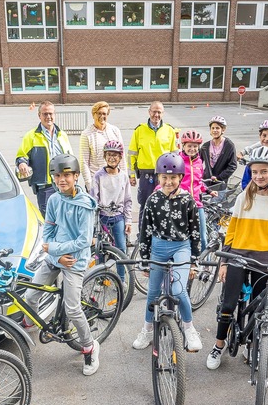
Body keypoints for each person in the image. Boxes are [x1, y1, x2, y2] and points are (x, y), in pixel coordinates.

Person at [206, 147, 268, 370]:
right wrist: (224, 261)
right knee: (228, 304)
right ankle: (219, 344)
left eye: (263, 171)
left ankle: (252, 345)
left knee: (259, 308)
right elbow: (232, 229)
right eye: (254, 172)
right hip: (238, 255)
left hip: (265, 261)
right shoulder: (244, 197)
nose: (258, 176)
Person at [23, 154, 101, 376]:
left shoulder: (84, 205)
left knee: (73, 308)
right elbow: (48, 231)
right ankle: (32, 327)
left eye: (66, 175)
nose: (61, 180)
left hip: (75, 260)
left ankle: (89, 346)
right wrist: (55, 254)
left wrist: (54, 249)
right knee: (30, 295)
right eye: (57, 175)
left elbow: (83, 241)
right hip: (57, 257)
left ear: (76, 176)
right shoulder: (55, 200)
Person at [132, 151, 203, 353]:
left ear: (181, 177)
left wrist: (194, 261)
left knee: (179, 290)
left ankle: (189, 329)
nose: (169, 181)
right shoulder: (153, 200)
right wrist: (144, 260)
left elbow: (195, 232)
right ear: (158, 177)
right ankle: (147, 329)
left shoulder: (188, 200)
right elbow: (144, 231)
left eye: (173, 177)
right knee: (153, 292)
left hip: (181, 246)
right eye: (164, 177)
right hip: (158, 247)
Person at [16, 101, 74, 215]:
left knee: (66, 217)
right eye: (45, 114)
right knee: (48, 220)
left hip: (64, 184)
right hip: (45, 186)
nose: (48, 117)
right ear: (39, 115)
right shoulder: (31, 136)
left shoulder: (62, 135)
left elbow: (71, 158)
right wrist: (22, 163)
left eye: (51, 113)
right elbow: (21, 155)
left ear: (55, 115)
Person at [128, 101, 179, 224]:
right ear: (149, 112)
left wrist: (177, 177)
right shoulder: (139, 130)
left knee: (166, 205)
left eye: (159, 112)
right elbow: (131, 155)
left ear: (163, 113)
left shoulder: (169, 130)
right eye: (154, 111)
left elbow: (175, 155)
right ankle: (142, 237)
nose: (156, 115)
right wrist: (132, 175)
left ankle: (163, 235)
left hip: (165, 175)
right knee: (145, 205)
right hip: (146, 175)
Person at [89, 140, 133, 280]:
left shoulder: (123, 176)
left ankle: (121, 279)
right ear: (104, 156)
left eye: (115, 155)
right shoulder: (98, 176)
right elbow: (93, 198)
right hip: (102, 216)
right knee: (100, 249)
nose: (112, 158)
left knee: (121, 249)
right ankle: (100, 278)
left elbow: (127, 200)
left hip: (118, 216)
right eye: (109, 155)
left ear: (120, 157)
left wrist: (129, 220)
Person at [178, 129, 212, 251]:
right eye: (189, 146)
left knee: (202, 237)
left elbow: (199, 182)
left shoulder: (199, 162)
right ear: (183, 146)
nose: (192, 149)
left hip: (197, 204)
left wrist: (208, 191)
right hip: (181, 204)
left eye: (195, 146)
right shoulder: (178, 161)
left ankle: (204, 265)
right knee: (183, 236)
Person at [78, 101, 122, 190]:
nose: (102, 116)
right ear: (93, 115)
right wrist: (90, 185)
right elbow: (84, 162)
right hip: (96, 182)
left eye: (104, 114)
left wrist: (123, 178)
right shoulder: (86, 134)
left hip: (114, 180)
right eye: (99, 113)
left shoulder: (115, 130)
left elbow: (122, 156)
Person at [200, 115, 238, 185]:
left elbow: (232, 165)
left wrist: (219, 177)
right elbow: (198, 161)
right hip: (206, 182)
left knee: (220, 196)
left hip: (220, 183)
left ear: (223, 129)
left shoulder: (229, 145)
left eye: (217, 128)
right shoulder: (205, 146)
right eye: (213, 128)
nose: (215, 130)